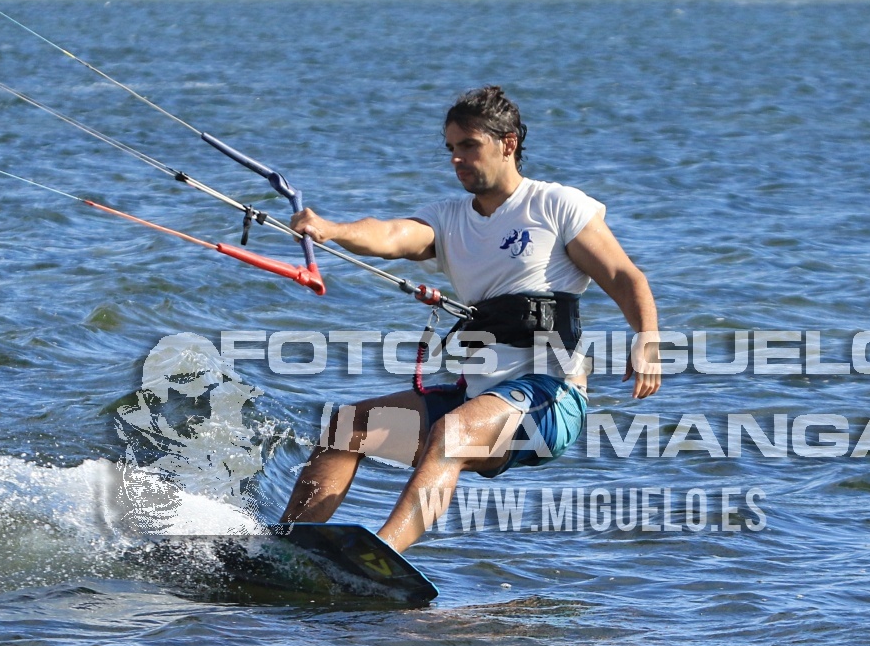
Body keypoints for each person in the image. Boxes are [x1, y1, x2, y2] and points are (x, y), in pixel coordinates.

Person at [281, 85, 661, 553]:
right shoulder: (449, 219)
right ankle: (285, 551)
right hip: (476, 394)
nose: (456, 159)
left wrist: (647, 340)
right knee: (347, 427)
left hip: (550, 399)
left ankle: (380, 559)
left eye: (469, 145)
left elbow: (624, 276)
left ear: (508, 144)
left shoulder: (555, 205)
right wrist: (331, 230)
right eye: (450, 148)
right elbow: (393, 234)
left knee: (453, 433)